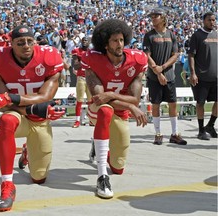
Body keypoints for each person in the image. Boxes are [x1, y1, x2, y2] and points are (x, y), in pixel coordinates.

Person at [0, 25, 65, 212]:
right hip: (19, 115)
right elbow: (3, 105)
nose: (26, 46)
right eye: (20, 42)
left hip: (39, 119)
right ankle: (7, 184)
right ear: (11, 44)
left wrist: (11, 97)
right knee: (6, 120)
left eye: (29, 41)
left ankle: (28, 152)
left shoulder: (49, 56)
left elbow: (45, 97)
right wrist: (27, 108)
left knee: (39, 178)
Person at [81, 19, 148, 199]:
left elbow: (134, 98)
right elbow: (99, 98)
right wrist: (127, 104)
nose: (119, 44)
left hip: (120, 113)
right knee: (104, 110)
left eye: (121, 40)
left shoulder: (136, 60)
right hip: (99, 110)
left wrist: (112, 96)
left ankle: (99, 145)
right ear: (104, 43)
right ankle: (102, 176)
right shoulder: (93, 59)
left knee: (118, 168)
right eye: (114, 40)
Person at [142, 8, 187, 145]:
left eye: (156, 16)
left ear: (163, 18)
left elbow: (175, 55)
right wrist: (158, 71)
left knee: (173, 104)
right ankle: (158, 133)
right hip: (154, 76)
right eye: (152, 16)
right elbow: (146, 56)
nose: (153, 18)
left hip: (170, 76)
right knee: (155, 104)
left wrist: (163, 67)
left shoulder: (171, 35)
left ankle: (174, 133)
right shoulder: (149, 35)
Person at [188, 12, 217, 140]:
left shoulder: (216, 34)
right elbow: (191, 55)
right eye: (210, 20)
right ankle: (201, 131)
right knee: (200, 103)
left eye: (214, 20)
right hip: (201, 77)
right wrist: (193, 73)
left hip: (216, 77)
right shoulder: (197, 35)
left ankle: (210, 125)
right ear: (204, 21)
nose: (212, 22)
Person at [71, 37, 92, 128]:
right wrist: (86, 60)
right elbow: (76, 66)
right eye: (83, 40)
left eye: (86, 40)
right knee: (79, 100)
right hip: (81, 78)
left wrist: (82, 61)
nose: (84, 42)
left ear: (89, 42)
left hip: (90, 78)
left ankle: (91, 119)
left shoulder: (92, 52)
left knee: (91, 100)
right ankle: (77, 120)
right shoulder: (77, 51)